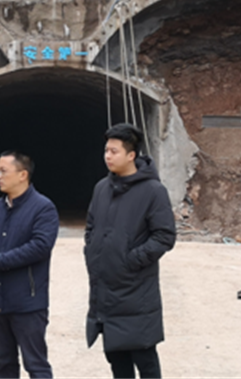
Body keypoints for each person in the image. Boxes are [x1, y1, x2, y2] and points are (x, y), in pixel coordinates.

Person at [84, 123, 176, 379]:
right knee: (116, 357)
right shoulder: (102, 188)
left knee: (144, 357)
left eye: (114, 151)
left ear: (131, 155)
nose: (108, 156)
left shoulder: (153, 191)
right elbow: (91, 227)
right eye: (106, 150)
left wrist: (130, 261)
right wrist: (93, 253)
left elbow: (164, 236)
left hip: (136, 291)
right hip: (106, 289)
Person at [0, 151, 59, 379]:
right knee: (4, 365)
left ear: (23, 175)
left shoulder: (43, 208)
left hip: (27, 302)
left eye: (3, 171)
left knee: (36, 365)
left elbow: (40, 247)